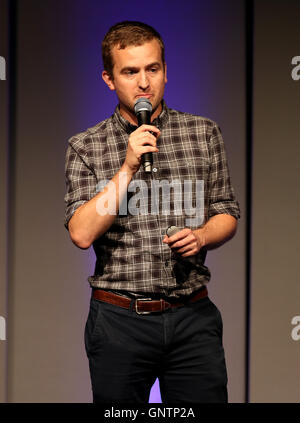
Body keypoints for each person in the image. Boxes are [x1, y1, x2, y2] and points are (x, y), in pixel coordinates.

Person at [64, 21, 240, 403]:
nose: (144, 83)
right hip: (119, 320)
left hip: (192, 315)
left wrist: (202, 236)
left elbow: (227, 212)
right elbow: (81, 233)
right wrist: (127, 167)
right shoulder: (86, 146)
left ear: (164, 71)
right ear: (109, 79)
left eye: (152, 69)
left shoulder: (203, 133)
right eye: (130, 72)